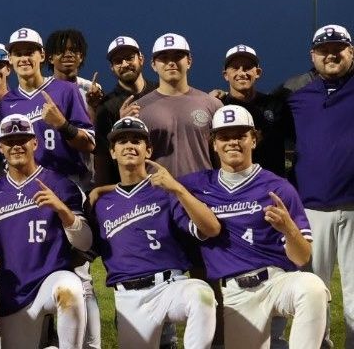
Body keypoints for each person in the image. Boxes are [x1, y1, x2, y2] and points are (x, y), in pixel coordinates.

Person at [180, 105, 328, 348]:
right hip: (235, 294)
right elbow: (153, 182)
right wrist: (103, 189)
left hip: (276, 283)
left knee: (312, 288)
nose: (233, 142)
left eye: (241, 135)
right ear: (213, 144)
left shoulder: (278, 188)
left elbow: (302, 257)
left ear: (254, 140)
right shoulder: (198, 185)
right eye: (224, 137)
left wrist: (289, 228)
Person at [91, 116, 219, 348]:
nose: (129, 145)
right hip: (128, 298)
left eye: (136, 141)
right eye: (122, 141)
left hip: (170, 286)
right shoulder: (101, 203)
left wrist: (179, 189)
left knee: (202, 294)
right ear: (112, 152)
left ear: (148, 150)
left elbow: (210, 228)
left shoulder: (167, 191)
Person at [273, 23, 354, 348]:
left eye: (339, 48)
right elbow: (260, 117)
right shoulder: (296, 95)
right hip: (311, 207)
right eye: (324, 49)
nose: (331, 54)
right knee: (313, 288)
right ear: (313, 55)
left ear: (351, 52)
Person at [0, 114, 90, 348]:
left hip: (51, 279)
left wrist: (62, 210)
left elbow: (85, 242)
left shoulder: (60, 184)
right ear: (1, 147)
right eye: (10, 141)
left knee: (70, 288)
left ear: (35, 143)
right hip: (13, 293)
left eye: (23, 139)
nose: (17, 146)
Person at [1, 27, 96, 188]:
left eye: (30, 52)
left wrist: (62, 125)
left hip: (68, 182)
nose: (24, 58)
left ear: (42, 56)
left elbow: (89, 144)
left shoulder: (66, 90)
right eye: (18, 54)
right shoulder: (8, 102)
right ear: (10, 59)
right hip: (29, 186)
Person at [132, 33, 222, 178]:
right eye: (164, 57)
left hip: (203, 194)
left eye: (177, 56)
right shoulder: (138, 109)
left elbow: (222, 159)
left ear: (189, 61)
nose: (171, 62)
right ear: (153, 65)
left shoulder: (213, 105)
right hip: (156, 195)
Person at [209, 45, 292, 177]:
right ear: (226, 75)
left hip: (271, 184)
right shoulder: (217, 106)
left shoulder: (276, 104)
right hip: (231, 185)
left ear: (258, 73)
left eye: (247, 67)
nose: (242, 73)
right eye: (235, 68)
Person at [93, 36, 158, 186]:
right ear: (112, 68)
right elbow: (103, 157)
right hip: (129, 186)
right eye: (118, 61)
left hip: (165, 178)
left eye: (129, 58)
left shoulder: (160, 91)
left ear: (141, 59)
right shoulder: (107, 106)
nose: (124, 64)